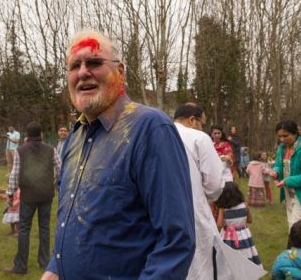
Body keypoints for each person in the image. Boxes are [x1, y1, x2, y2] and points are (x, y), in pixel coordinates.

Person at [42, 31, 195, 280]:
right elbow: (73, 218)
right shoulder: (75, 137)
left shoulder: (150, 129)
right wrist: (55, 268)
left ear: (120, 71)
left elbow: (176, 243)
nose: (82, 72)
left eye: (94, 62)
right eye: (74, 66)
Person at [174, 103, 224, 280]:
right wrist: (205, 196)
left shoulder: (153, 135)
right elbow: (215, 184)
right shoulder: (198, 138)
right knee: (198, 265)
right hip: (192, 211)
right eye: (202, 123)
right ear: (192, 120)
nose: (203, 128)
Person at [5, 121, 61, 275]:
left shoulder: (20, 151)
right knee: (44, 228)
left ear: (27, 136)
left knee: (24, 229)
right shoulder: (52, 150)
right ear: (41, 134)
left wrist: (10, 193)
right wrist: (53, 183)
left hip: (28, 195)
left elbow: (14, 174)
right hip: (46, 194)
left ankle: (21, 266)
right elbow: (60, 169)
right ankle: (44, 262)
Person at [216, 181, 262, 267]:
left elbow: (219, 225)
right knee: (245, 252)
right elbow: (250, 220)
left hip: (228, 236)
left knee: (229, 257)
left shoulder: (223, 208)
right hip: (244, 235)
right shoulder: (245, 205)